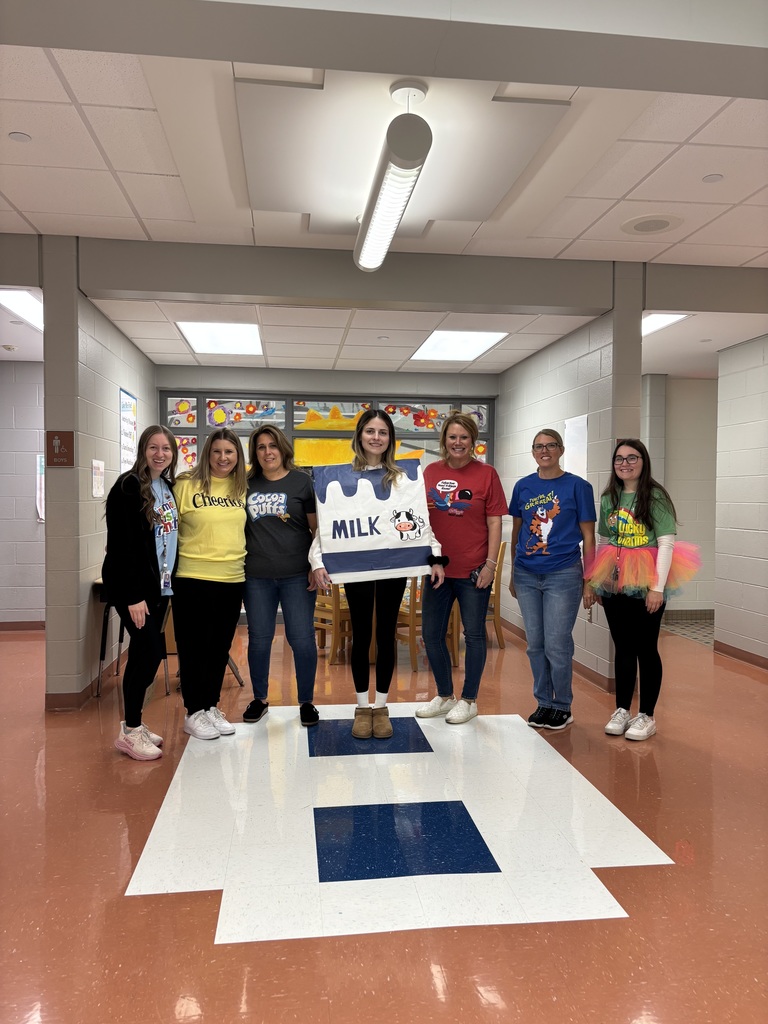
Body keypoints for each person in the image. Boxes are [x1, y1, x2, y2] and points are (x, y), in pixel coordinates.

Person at [311, 409, 445, 739]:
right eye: (370, 431)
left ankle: (381, 707)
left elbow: (420, 522)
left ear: (390, 439)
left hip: (393, 564)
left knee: (385, 633)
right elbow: (327, 528)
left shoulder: (404, 479)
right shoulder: (340, 478)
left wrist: (437, 557)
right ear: (359, 437)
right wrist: (316, 560)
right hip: (355, 566)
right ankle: (361, 707)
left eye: (382, 432)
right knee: (361, 634)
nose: (376, 437)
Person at [585, 439, 699, 741]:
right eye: (619, 458)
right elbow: (606, 541)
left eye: (631, 458)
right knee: (622, 647)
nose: (625, 463)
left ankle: (646, 715)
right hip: (615, 579)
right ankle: (622, 709)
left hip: (648, 578)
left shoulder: (656, 496)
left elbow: (666, 543)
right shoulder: (610, 496)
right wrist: (598, 579)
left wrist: (656, 588)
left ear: (643, 461)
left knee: (646, 648)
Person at [416, 412, 507, 725]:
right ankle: (445, 695)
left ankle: (469, 700)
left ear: (473, 441)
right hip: (437, 571)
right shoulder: (429, 472)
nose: (458, 443)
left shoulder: (487, 474)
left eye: (464, 437)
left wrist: (491, 565)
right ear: (444, 440)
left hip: (473, 571)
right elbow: (418, 520)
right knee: (431, 634)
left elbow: (495, 522)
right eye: (452, 437)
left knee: (474, 636)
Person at [508, 428, 596, 731]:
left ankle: (562, 706)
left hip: (564, 573)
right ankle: (544, 702)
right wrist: (512, 573)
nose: (544, 451)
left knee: (557, 644)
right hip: (526, 573)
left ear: (560, 450)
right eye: (538, 447)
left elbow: (589, 537)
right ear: (533, 452)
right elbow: (516, 531)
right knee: (535, 644)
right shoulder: (523, 486)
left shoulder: (578, 487)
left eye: (550, 446)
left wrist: (590, 580)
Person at [102, 425, 178, 761]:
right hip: (135, 587)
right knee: (145, 654)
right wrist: (133, 595)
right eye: (153, 448)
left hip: (159, 586)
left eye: (166, 449)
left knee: (149, 654)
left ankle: (134, 723)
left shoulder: (166, 486)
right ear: (142, 450)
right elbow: (122, 545)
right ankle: (130, 731)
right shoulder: (129, 486)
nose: (160, 454)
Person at [172, 427, 247, 740]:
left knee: (219, 647)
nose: (223, 458)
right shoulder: (186, 484)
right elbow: (163, 529)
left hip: (232, 578)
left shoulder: (242, 487)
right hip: (192, 578)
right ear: (207, 453)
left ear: (237, 456)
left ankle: (211, 705)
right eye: (217, 451)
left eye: (229, 452)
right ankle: (193, 711)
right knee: (193, 648)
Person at [242, 425, 319, 727]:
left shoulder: (303, 482)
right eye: (260, 447)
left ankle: (307, 702)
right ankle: (260, 698)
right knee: (259, 640)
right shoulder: (245, 483)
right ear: (255, 453)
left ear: (282, 448)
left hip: (297, 576)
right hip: (256, 577)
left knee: (301, 640)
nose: (267, 452)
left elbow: (316, 531)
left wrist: (315, 565)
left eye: (272, 445)